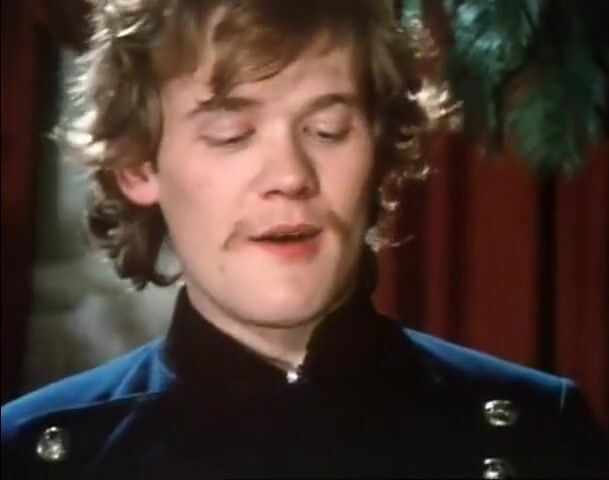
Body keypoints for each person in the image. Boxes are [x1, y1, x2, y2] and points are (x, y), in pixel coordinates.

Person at [2, 1, 607, 478]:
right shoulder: (31, 455)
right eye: (233, 135)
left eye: (327, 129)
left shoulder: (536, 435)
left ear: (380, 148)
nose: (291, 176)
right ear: (138, 166)